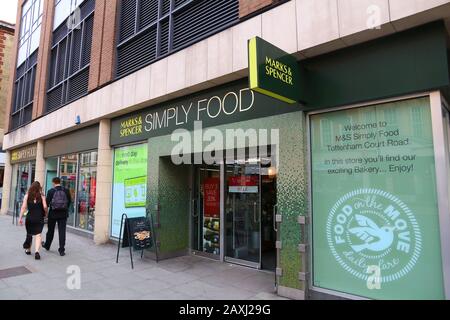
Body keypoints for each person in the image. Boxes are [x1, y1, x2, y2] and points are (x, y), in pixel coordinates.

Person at [42, 177, 72, 256]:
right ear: (60, 182)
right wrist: (64, 208)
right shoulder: (66, 190)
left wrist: (45, 213)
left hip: (53, 214)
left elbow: (47, 204)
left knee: (50, 231)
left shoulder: (51, 191)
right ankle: (61, 250)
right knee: (62, 231)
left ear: (53, 182)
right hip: (63, 214)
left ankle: (47, 245)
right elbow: (69, 201)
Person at [19, 182, 48, 260]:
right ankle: (37, 252)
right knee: (38, 235)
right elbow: (45, 206)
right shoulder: (42, 195)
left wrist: (20, 218)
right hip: (39, 218)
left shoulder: (27, 196)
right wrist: (46, 213)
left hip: (30, 218)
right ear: (39, 187)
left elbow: (23, 207)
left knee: (29, 233)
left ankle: (28, 250)